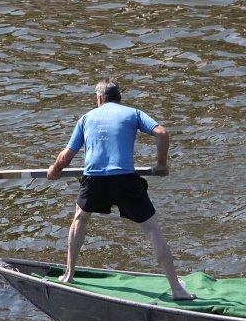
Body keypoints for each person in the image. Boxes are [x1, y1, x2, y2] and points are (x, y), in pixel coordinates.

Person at [46, 78, 195, 301]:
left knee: (80, 218)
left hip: (94, 180)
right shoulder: (133, 113)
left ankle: (68, 274)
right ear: (120, 98)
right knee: (152, 229)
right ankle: (177, 289)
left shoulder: (86, 118)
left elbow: (66, 156)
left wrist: (55, 169)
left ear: (99, 99)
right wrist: (161, 164)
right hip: (125, 179)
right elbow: (162, 134)